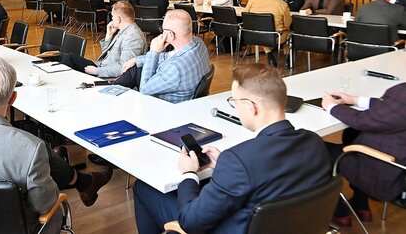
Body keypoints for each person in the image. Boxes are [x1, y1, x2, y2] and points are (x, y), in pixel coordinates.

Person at [134, 64, 331, 234]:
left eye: (235, 102)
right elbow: (272, 174)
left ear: (252, 107)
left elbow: (189, 222)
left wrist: (189, 174)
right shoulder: (314, 142)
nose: (235, 108)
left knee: (144, 188)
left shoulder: (238, 160)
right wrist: (223, 165)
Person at [0, 56, 114, 224]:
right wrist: (45, 175)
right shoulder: (29, 147)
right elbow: (44, 205)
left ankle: (79, 179)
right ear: (13, 98)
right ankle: (79, 180)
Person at [323, 82, 406, 227]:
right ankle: (361, 205)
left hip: (386, 171)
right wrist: (354, 100)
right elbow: (392, 108)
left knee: (318, 148)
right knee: (351, 133)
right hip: (397, 161)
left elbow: (362, 121)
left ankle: (339, 213)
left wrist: (331, 106)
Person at [118, 10, 210, 103]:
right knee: (134, 69)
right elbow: (168, 56)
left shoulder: (174, 69)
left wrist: (153, 52)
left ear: (170, 34)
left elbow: (144, 89)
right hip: (184, 93)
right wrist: (136, 60)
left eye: (163, 30)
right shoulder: (198, 43)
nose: (162, 34)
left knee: (132, 74)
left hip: (162, 106)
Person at [60, 1, 146, 78]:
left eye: (112, 16)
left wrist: (96, 71)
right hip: (102, 66)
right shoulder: (124, 30)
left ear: (118, 19)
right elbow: (106, 56)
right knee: (69, 58)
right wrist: (109, 36)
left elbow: (124, 68)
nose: (112, 19)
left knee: (68, 60)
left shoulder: (133, 37)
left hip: (108, 75)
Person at [245, 0, 292, 68]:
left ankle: (269, 54)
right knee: (287, 32)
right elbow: (287, 24)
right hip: (276, 37)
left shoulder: (252, 1)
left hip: (254, 35)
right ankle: (287, 58)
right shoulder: (282, 4)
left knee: (263, 31)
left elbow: (246, 16)